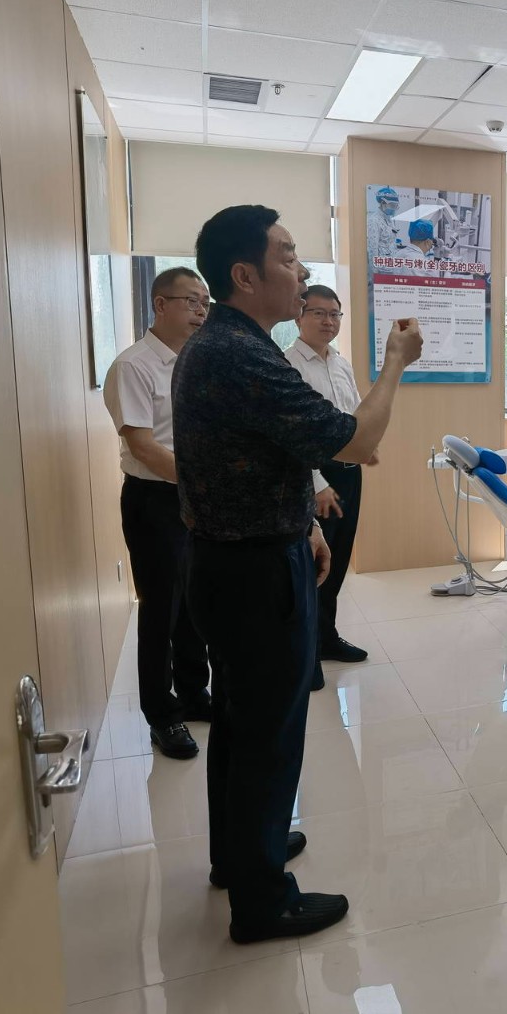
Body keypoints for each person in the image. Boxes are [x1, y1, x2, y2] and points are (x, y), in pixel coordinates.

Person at [172, 204, 423, 944]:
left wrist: (304, 524)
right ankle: (262, 902)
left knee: (243, 722)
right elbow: (354, 441)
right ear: (245, 275)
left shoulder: (223, 345)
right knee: (269, 733)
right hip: (253, 573)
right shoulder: (240, 354)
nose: (302, 270)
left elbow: (263, 456)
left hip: (238, 555)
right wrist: (396, 362)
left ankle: (240, 854)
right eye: (286, 256)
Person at [101, 267, 212, 761]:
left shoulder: (195, 362)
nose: (200, 311)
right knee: (162, 608)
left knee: (195, 602)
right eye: (191, 301)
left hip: (194, 495)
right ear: (160, 304)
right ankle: (162, 714)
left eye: (204, 302)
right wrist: (203, 485)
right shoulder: (134, 366)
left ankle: (194, 693)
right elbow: (144, 447)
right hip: (155, 500)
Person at [284, 285, 375, 691]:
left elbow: (352, 416)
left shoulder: (340, 363)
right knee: (313, 565)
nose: (328, 321)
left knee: (337, 562)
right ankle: (305, 655)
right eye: (318, 313)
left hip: (349, 473)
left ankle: (327, 637)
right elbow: (292, 437)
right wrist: (316, 483)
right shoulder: (287, 365)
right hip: (316, 475)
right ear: (299, 317)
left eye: (335, 314)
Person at [369, 186, 403, 263]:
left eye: (396, 206)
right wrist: (374, 269)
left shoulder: (389, 219)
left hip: (391, 263)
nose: (394, 209)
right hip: (381, 266)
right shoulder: (374, 221)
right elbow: (372, 250)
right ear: (382, 203)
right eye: (392, 205)